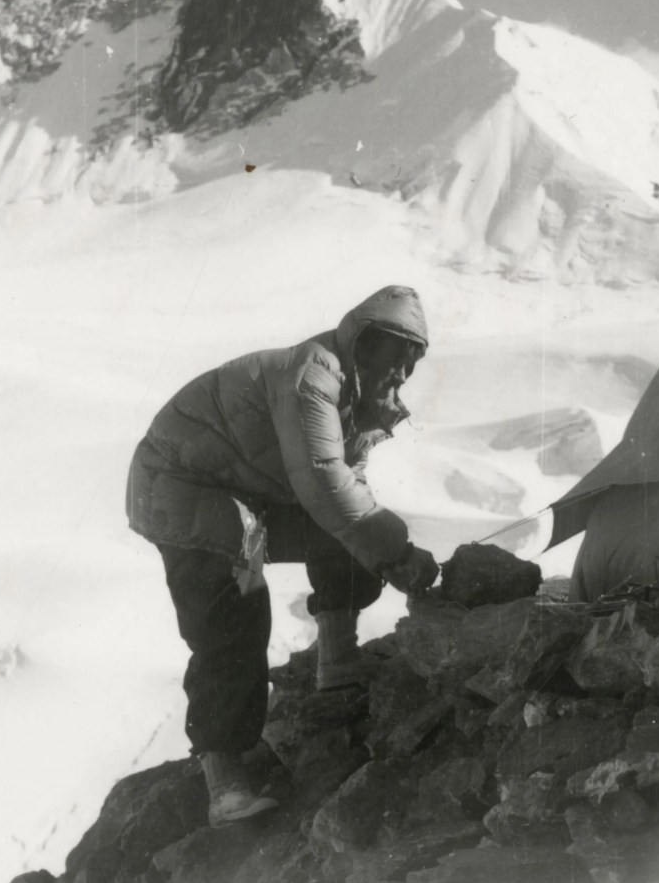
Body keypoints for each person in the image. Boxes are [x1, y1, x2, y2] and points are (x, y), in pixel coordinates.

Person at [125, 285, 442, 826]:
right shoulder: (314, 376)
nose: (399, 373)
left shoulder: (355, 394)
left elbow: (349, 490)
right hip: (179, 487)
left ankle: (337, 664)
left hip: (242, 490)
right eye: (392, 355)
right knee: (235, 608)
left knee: (348, 536)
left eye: (408, 361)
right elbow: (325, 484)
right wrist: (399, 554)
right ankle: (224, 779)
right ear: (361, 341)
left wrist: (382, 552)